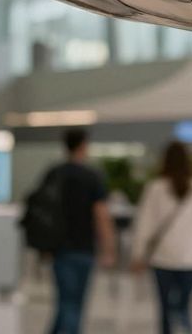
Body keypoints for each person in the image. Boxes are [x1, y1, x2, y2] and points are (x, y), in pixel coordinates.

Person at [130, 141, 192, 334]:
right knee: (184, 307)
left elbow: (144, 225)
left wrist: (138, 254)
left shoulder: (155, 188)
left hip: (162, 257)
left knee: (165, 309)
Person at [43, 128, 117, 334]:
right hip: (83, 249)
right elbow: (101, 214)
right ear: (83, 145)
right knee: (74, 304)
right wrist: (109, 248)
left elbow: (42, 210)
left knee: (64, 301)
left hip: (58, 248)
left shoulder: (54, 173)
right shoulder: (91, 176)